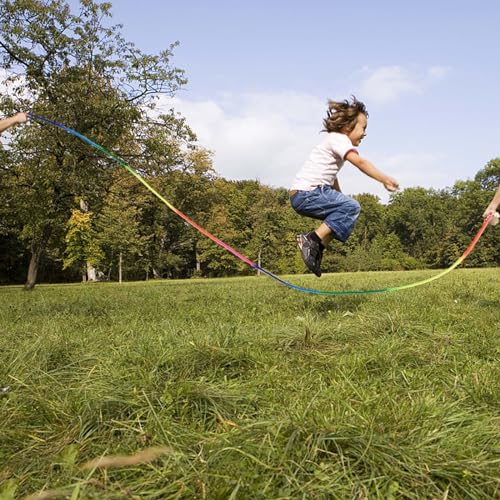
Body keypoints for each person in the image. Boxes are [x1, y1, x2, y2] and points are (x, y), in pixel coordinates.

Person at [290, 96, 399, 277]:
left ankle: (317, 249)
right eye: (363, 128)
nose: (365, 133)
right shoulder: (339, 139)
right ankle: (311, 240)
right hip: (307, 193)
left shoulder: (333, 142)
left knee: (344, 216)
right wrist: (384, 179)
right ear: (348, 127)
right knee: (352, 207)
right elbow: (359, 161)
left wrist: (340, 198)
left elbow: (332, 177)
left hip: (303, 195)